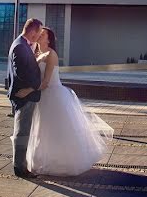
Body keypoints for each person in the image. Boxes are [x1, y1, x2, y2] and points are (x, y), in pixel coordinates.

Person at [25, 27, 114, 176]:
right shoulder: (37, 53)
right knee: (43, 130)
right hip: (42, 97)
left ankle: (62, 161)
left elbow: (46, 82)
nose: (39, 35)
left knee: (58, 130)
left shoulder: (51, 54)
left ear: (49, 39)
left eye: (43, 34)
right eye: (39, 33)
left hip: (53, 95)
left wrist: (28, 91)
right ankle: (44, 158)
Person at [6, 18, 44, 178]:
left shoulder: (21, 43)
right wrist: (35, 86)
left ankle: (20, 164)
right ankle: (20, 168)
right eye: (39, 32)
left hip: (24, 94)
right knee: (22, 132)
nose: (39, 36)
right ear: (33, 31)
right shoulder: (21, 46)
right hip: (24, 96)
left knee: (23, 131)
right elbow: (21, 72)